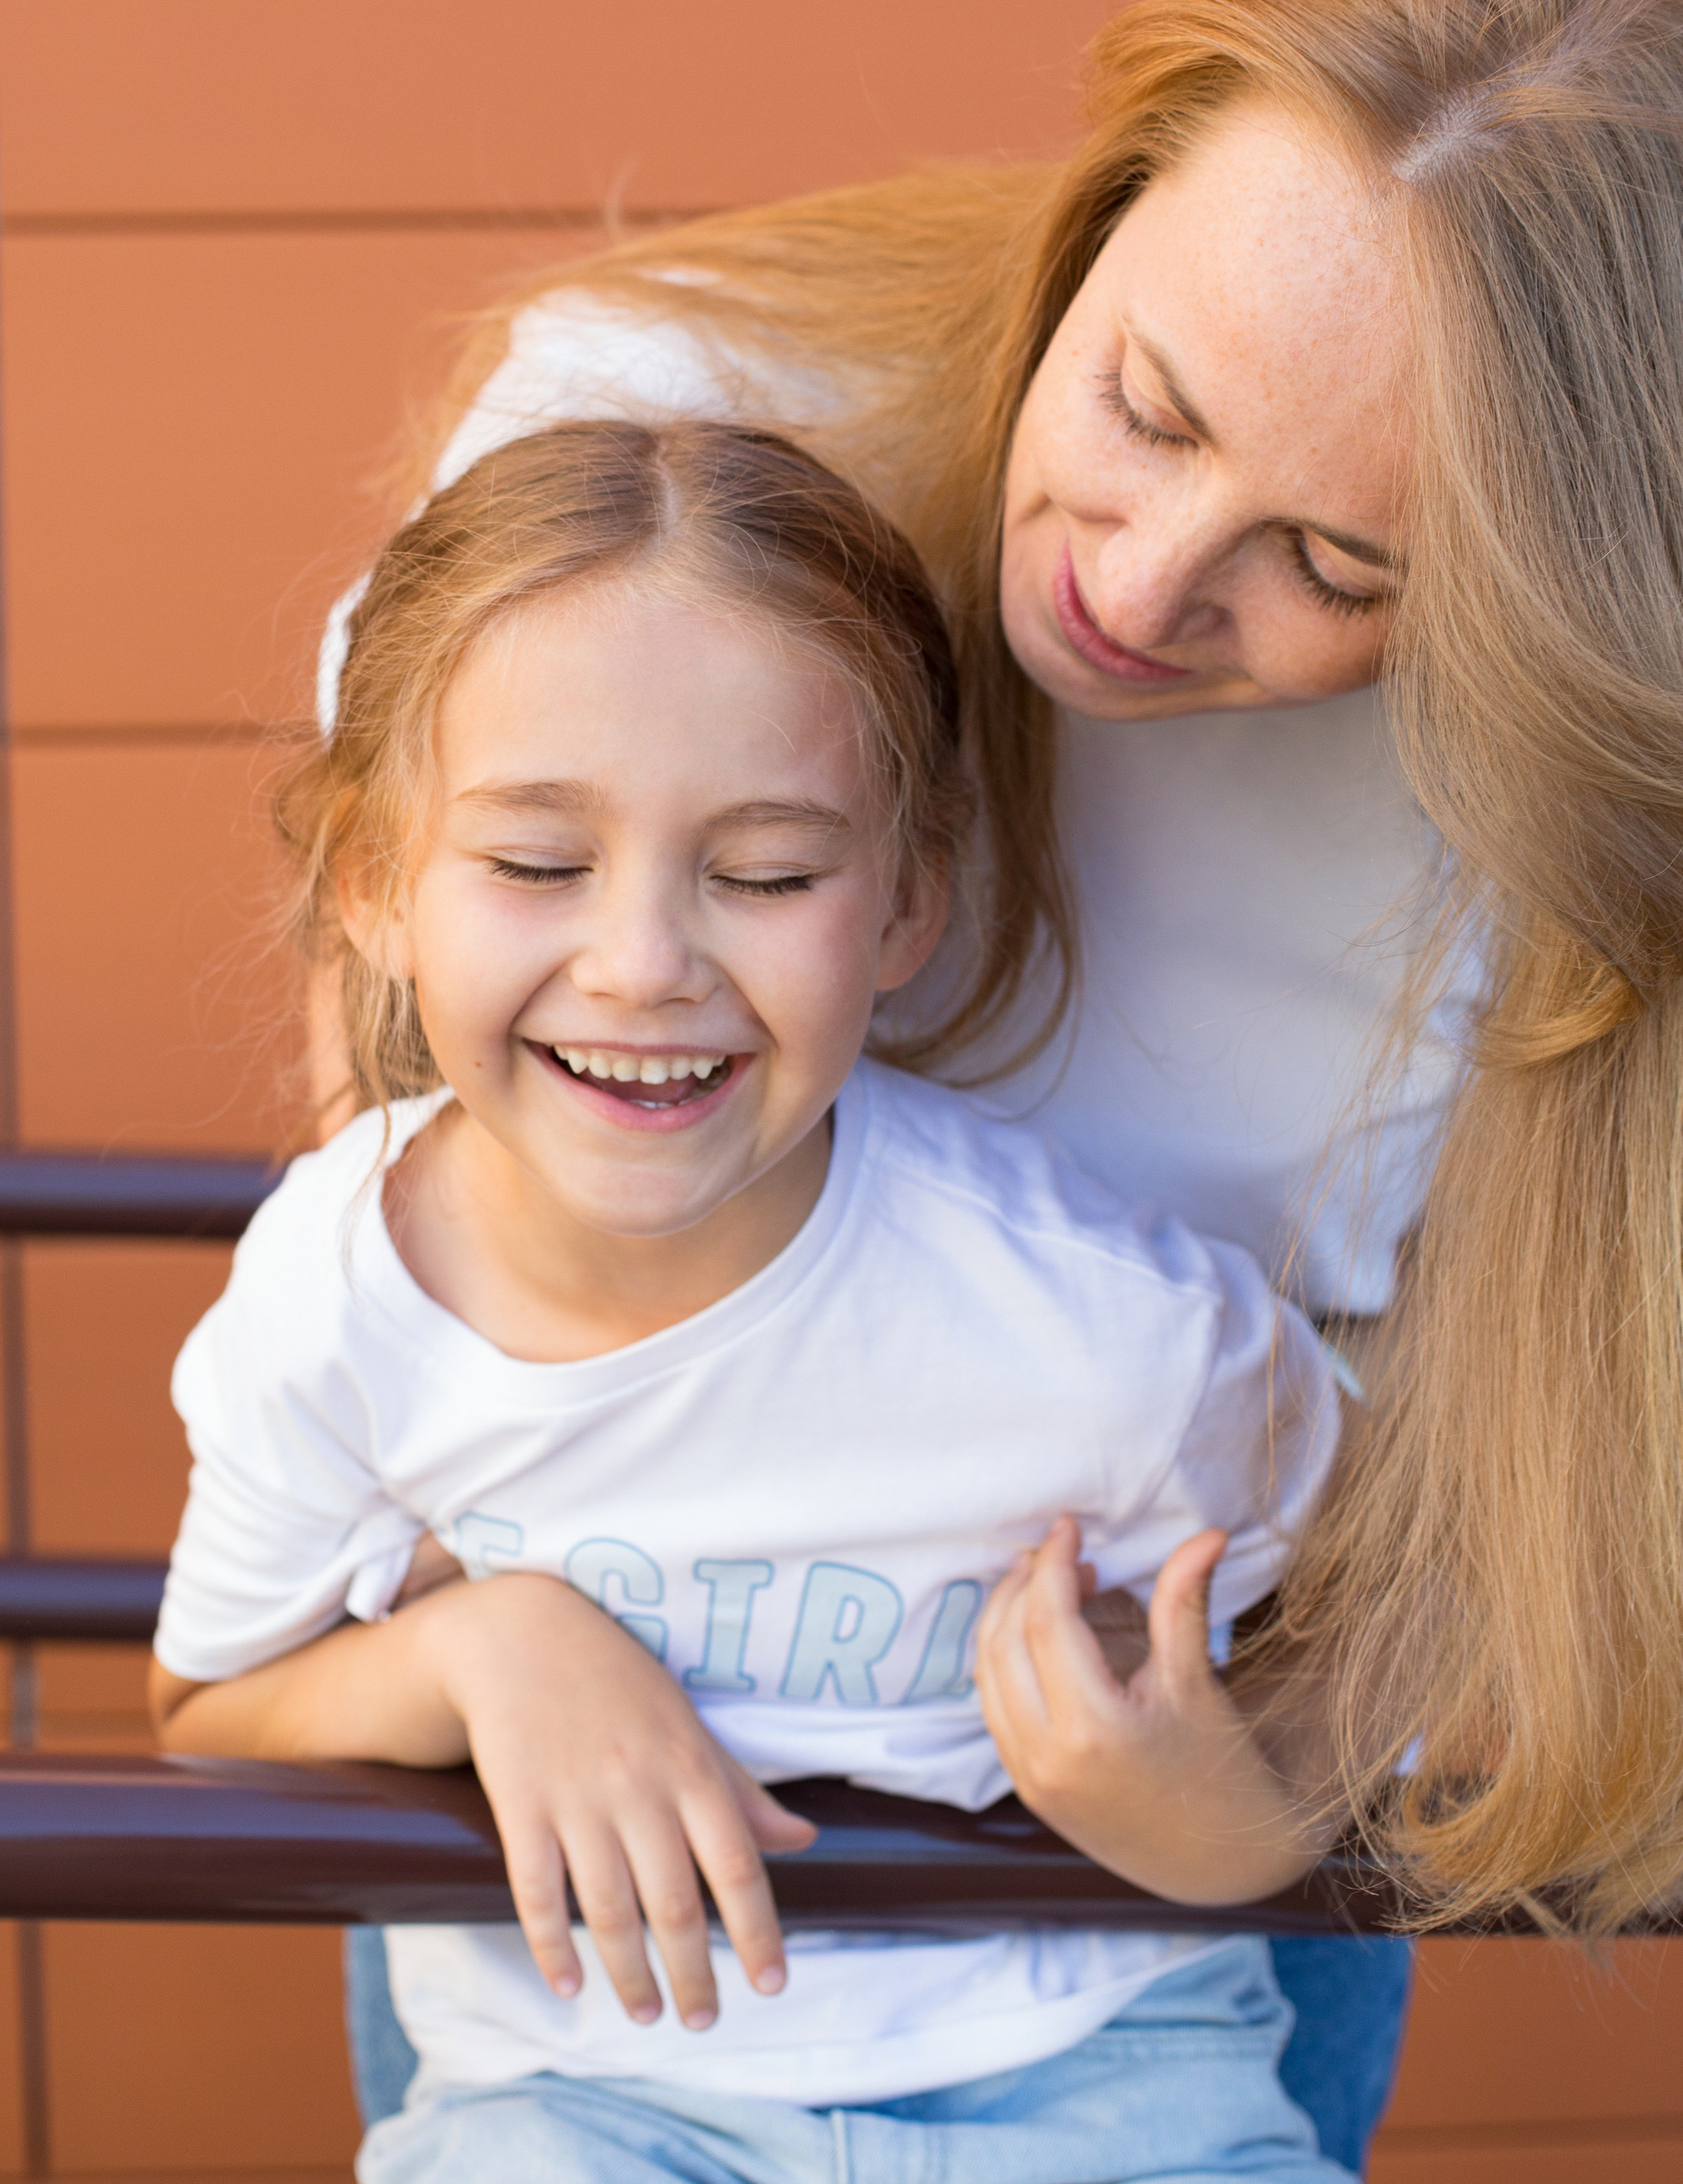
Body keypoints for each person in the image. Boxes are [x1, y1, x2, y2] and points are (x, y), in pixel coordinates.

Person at [306, 0, 1683, 2165]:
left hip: (1176, 1899)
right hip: (602, 1875)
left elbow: (1513, 1479)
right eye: (1145, 406)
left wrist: (1264, 1808)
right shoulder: (660, 432)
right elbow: (414, 1194)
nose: (1140, 581)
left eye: (1340, 566)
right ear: (1113, 191)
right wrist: (473, 1643)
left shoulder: (1563, 815)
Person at [152, 419, 1345, 2183]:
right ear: (374, 888)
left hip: (1105, 2075)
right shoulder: (337, 1304)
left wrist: (1230, 1819)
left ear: (906, 902)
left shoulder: (1099, 1333)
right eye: (535, 863)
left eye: (768, 875)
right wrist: (478, 1652)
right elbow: (209, 1709)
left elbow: (1426, 1607)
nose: (642, 964)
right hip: (578, 2104)